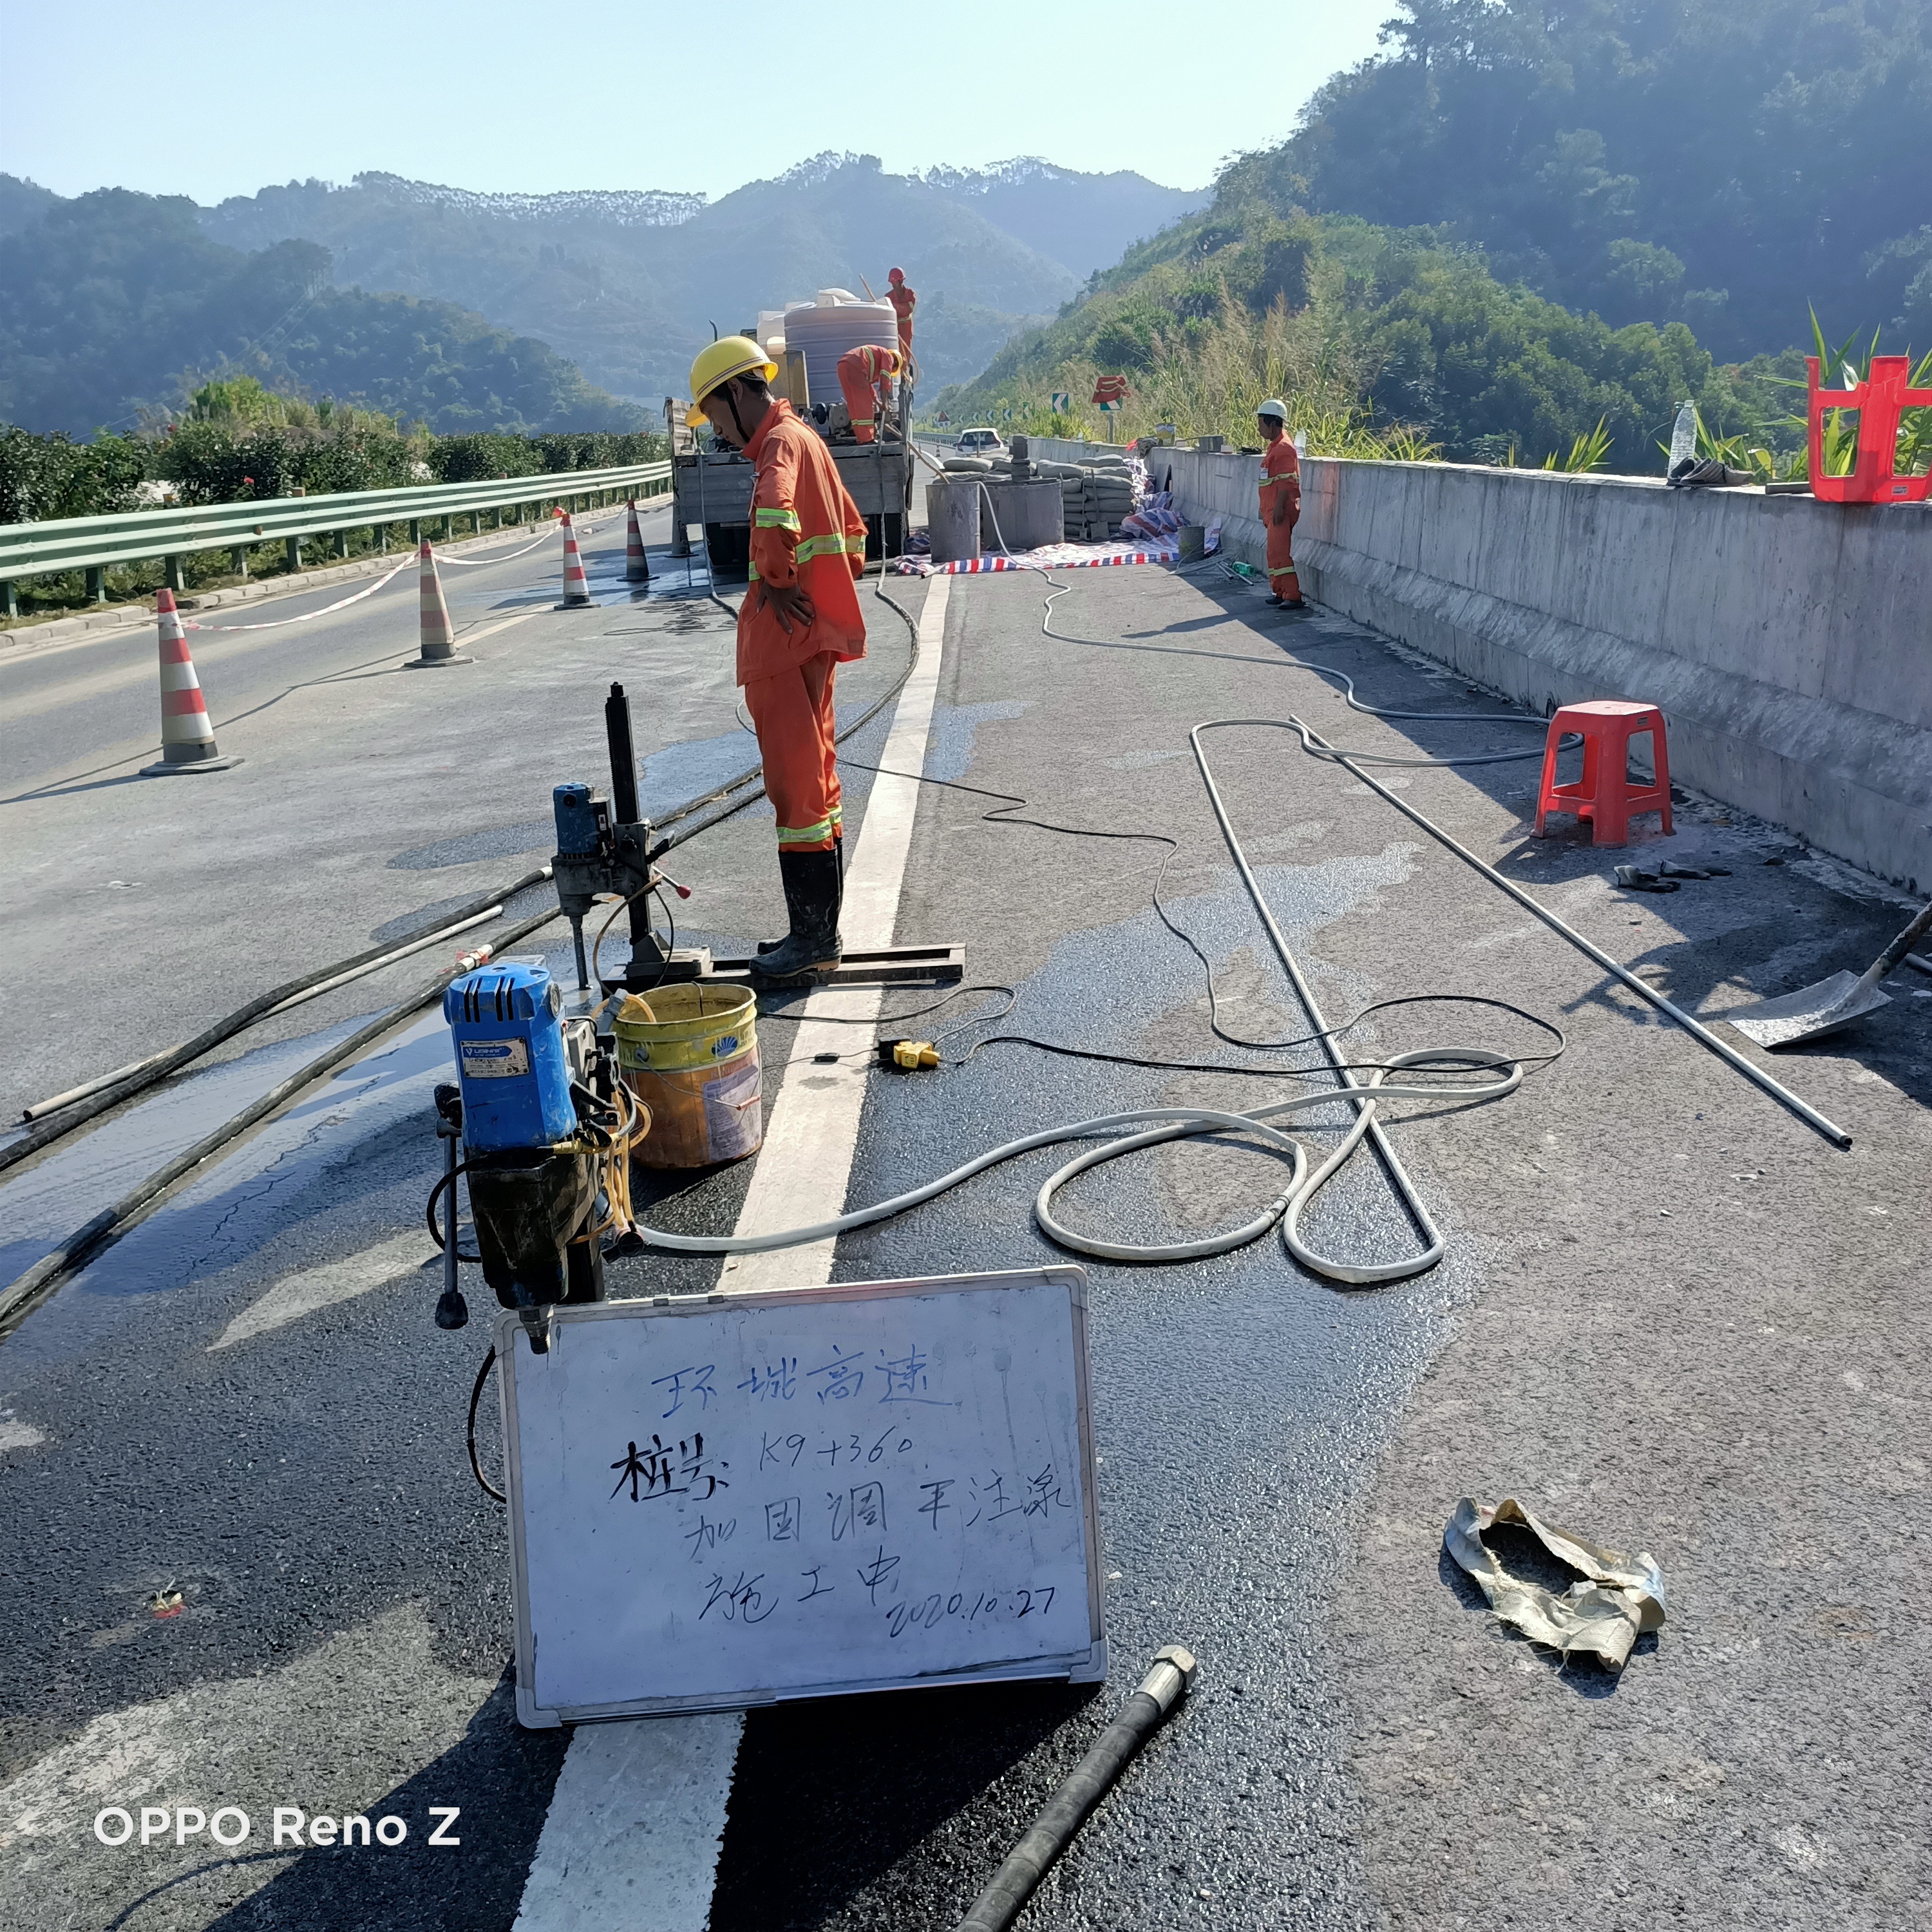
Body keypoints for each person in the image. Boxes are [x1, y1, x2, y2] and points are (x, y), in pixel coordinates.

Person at [687, 337, 869, 981]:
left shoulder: (778, 446)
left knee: (797, 793)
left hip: (784, 645)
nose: (715, 428)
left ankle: (813, 941)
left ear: (736, 392)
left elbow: (773, 513)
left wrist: (781, 580)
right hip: (811, 641)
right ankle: (818, 932)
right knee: (817, 784)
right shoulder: (808, 438)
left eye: (711, 412)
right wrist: (816, 595)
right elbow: (854, 537)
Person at [1256, 400, 1304, 608]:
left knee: (1280, 555)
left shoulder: (1284, 447)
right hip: (1272, 510)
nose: (1259, 428)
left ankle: (1292, 595)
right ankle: (1280, 591)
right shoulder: (1275, 446)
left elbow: (1287, 482)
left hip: (1280, 511)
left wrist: (1277, 508)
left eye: (1260, 423)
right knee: (1273, 554)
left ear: (1272, 424)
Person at [885, 267, 916, 358]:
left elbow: (909, 309)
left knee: (906, 351)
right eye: (894, 282)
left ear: (902, 281)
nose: (896, 284)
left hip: (906, 327)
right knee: (894, 351)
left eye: (898, 281)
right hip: (894, 327)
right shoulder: (888, 297)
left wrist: (894, 306)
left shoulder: (910, 294)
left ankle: (905, 369)